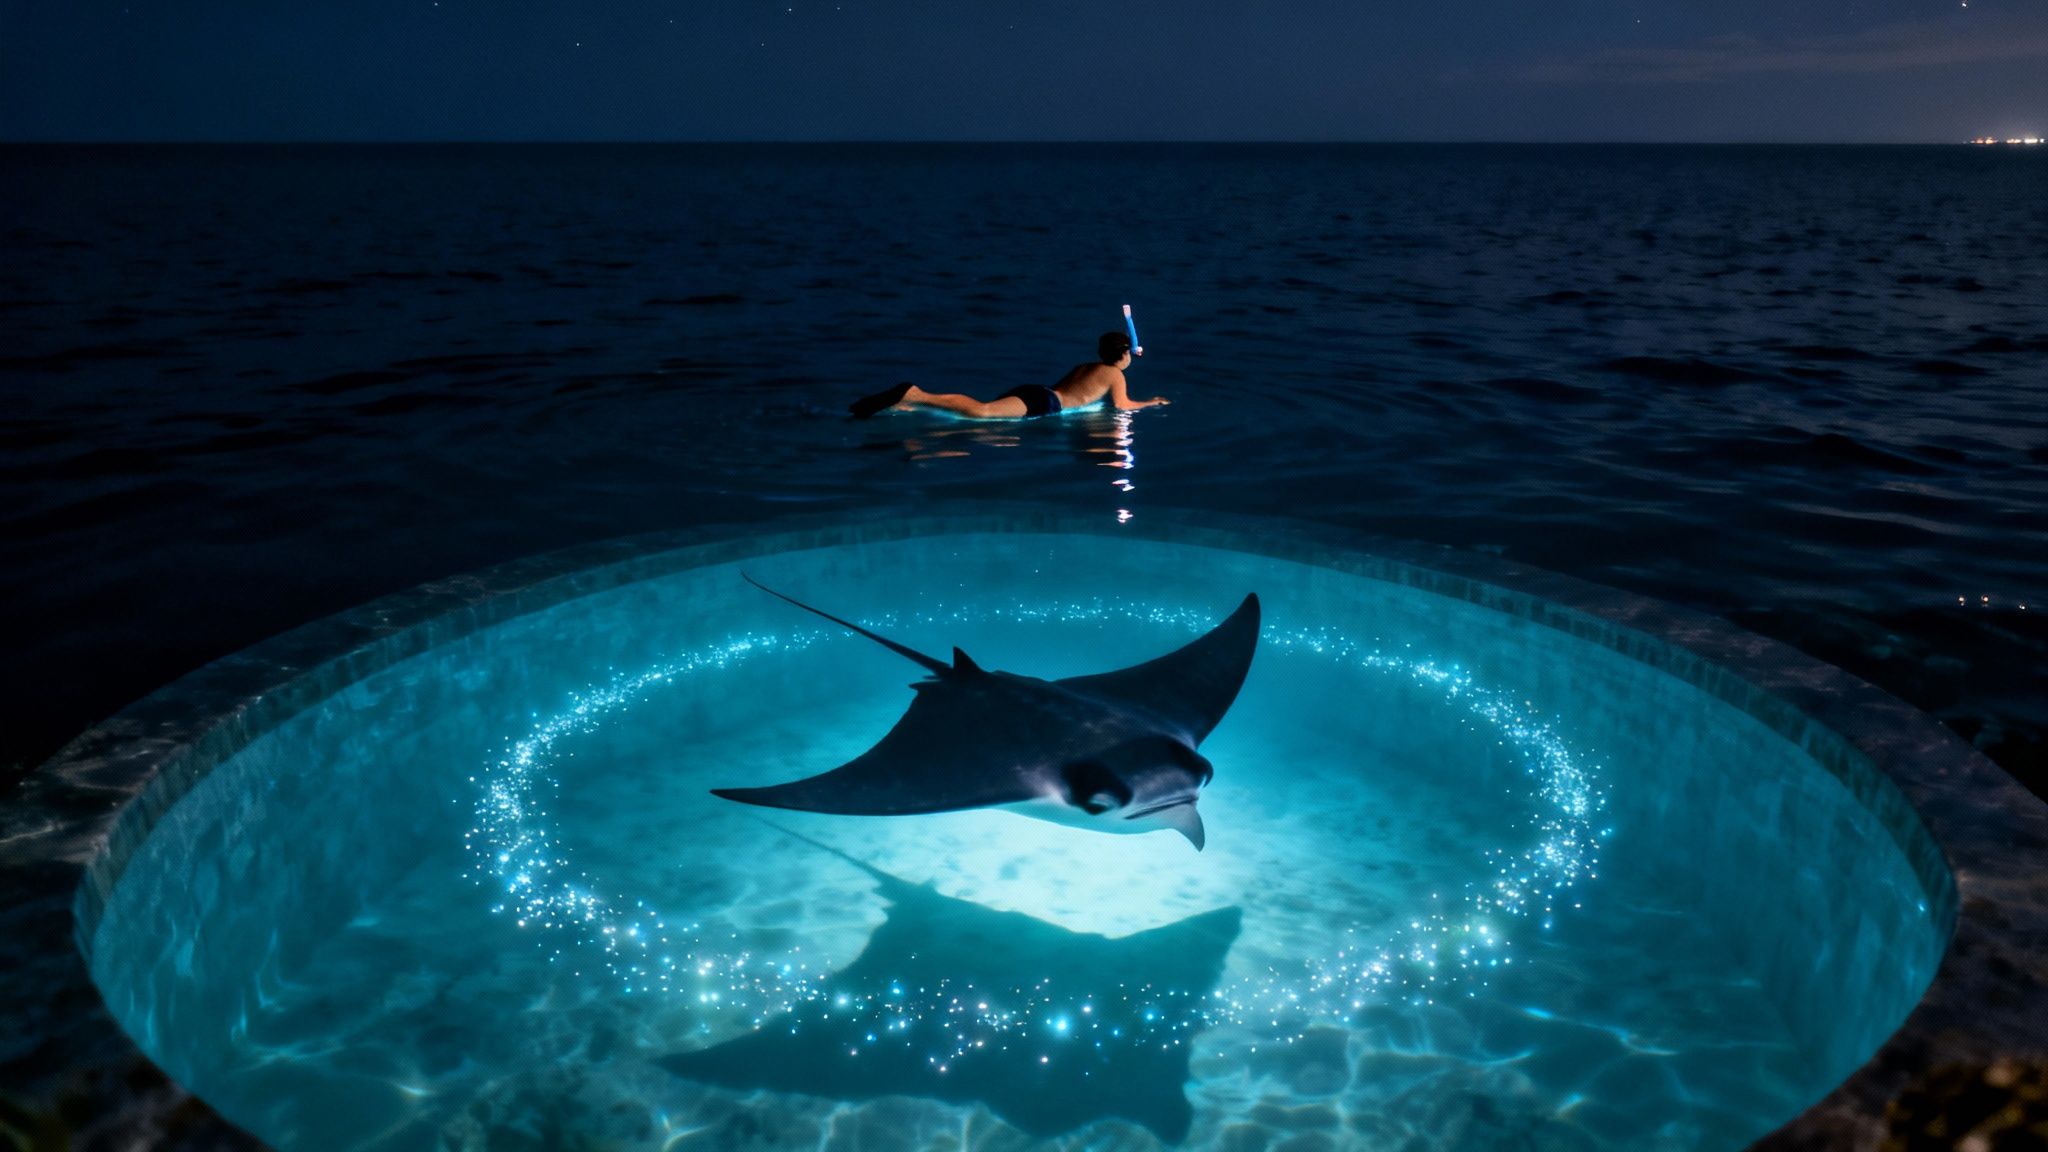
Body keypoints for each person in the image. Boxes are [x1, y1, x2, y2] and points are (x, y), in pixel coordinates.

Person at [848, 332, 1169, 419]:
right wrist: (1152, 403)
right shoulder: (1114, 374)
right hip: (1046, 404)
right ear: (1124, 355)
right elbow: (1123, 406)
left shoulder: (1087, 366)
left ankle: (908, 405)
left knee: (983, 407)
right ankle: (916, 395)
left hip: (1038, 391)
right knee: (981, 413)